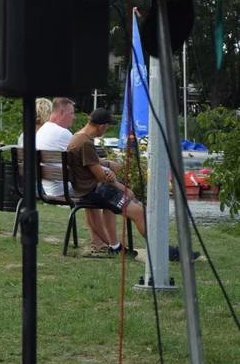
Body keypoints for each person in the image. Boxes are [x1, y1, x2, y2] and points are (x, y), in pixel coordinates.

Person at [67, 109, 196, 262]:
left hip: (86, 188)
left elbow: (91, 164)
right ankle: (163, 251)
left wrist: (106, 166)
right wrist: (122, 187)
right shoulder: (85, 142)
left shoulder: (77, 137)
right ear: (102, 127)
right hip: (95, 190)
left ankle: (118, 247)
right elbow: (100, 177)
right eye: (107, 126)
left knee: (141, 207)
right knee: (139, 213)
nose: (106, 129)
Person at [36, 97, 118, 254]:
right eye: (71, 113)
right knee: (92, 188)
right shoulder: (63, 134)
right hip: (64, 188)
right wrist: (108, 166)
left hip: (49, 187)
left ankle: (98, 242)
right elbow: (87, 157)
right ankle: (108, 243)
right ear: (61, 112)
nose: (73, 117)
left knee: (88, 187)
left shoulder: (42, 131)